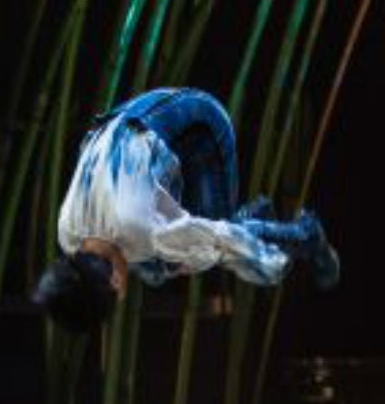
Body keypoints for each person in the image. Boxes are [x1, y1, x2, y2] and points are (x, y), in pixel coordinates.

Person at [37, 88, 339, 333]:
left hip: (197, 123)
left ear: (115, 281)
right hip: (131, 121)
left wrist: (269, 263)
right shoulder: (68, 236)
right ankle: (256, 217)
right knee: (158, 269)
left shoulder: (140, 229)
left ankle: (307, 233)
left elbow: (220, 239)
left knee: (204, 249)